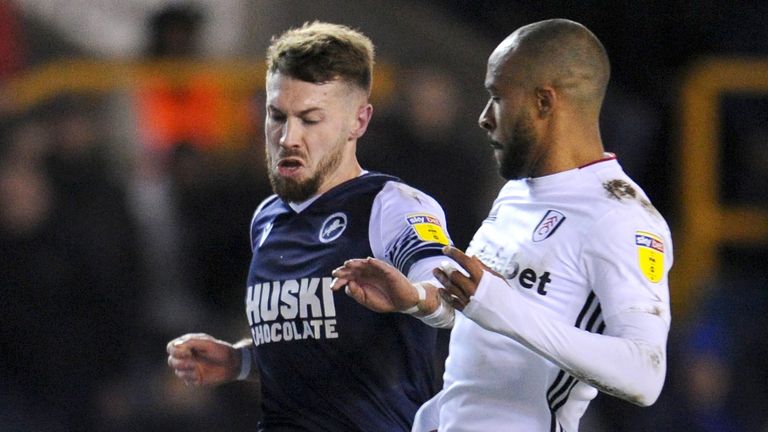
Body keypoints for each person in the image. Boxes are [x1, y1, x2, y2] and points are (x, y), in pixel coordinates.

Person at [331, 19, 673, 431]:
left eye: (496, 97)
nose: (484, 117)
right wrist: (417, 300)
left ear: (544, 103)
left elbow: (645, 374)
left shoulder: (620, 215)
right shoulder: (517, 193)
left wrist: (503, 306)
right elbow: (484, 331)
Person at [166, 22, 457, 431]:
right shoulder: (268, 218)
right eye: (277, 116)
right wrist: (240, 361)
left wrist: (411, 297)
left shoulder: (390, 205)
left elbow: (451, 297)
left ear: (358, 122)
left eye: (310, 119)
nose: (287, 137)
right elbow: (313, 346)